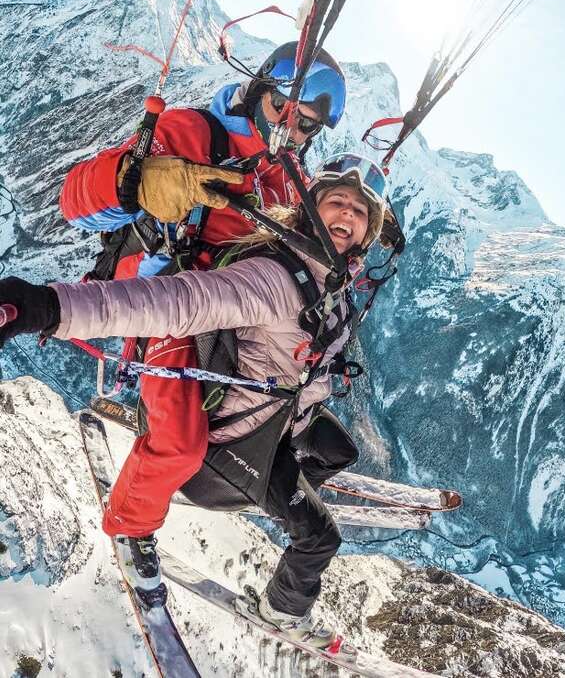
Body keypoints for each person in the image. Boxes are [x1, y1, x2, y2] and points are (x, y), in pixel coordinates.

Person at [0, 153, 387, 649]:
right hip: (237, 445)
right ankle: (280, 610)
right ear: (308, 210)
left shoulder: (332, 284)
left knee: (340, 451)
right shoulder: (273, 282)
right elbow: (170, 303)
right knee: (320, 539)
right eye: (336, 201)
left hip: (283, 418)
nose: (347, 214)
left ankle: (276, 494)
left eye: (358, 212)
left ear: (365, 236)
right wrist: (43, 308)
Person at [57, 42, 346, 594]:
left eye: (307, 125)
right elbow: (76, 199)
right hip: (168, 302)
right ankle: (130, 526)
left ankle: (266, 468)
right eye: (284, 109)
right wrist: (135, 180)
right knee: (182, 439)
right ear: (261, 91)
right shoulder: (195, 133)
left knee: (293, 393)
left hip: (238, 315)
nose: (292, 130)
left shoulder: (286, 179)